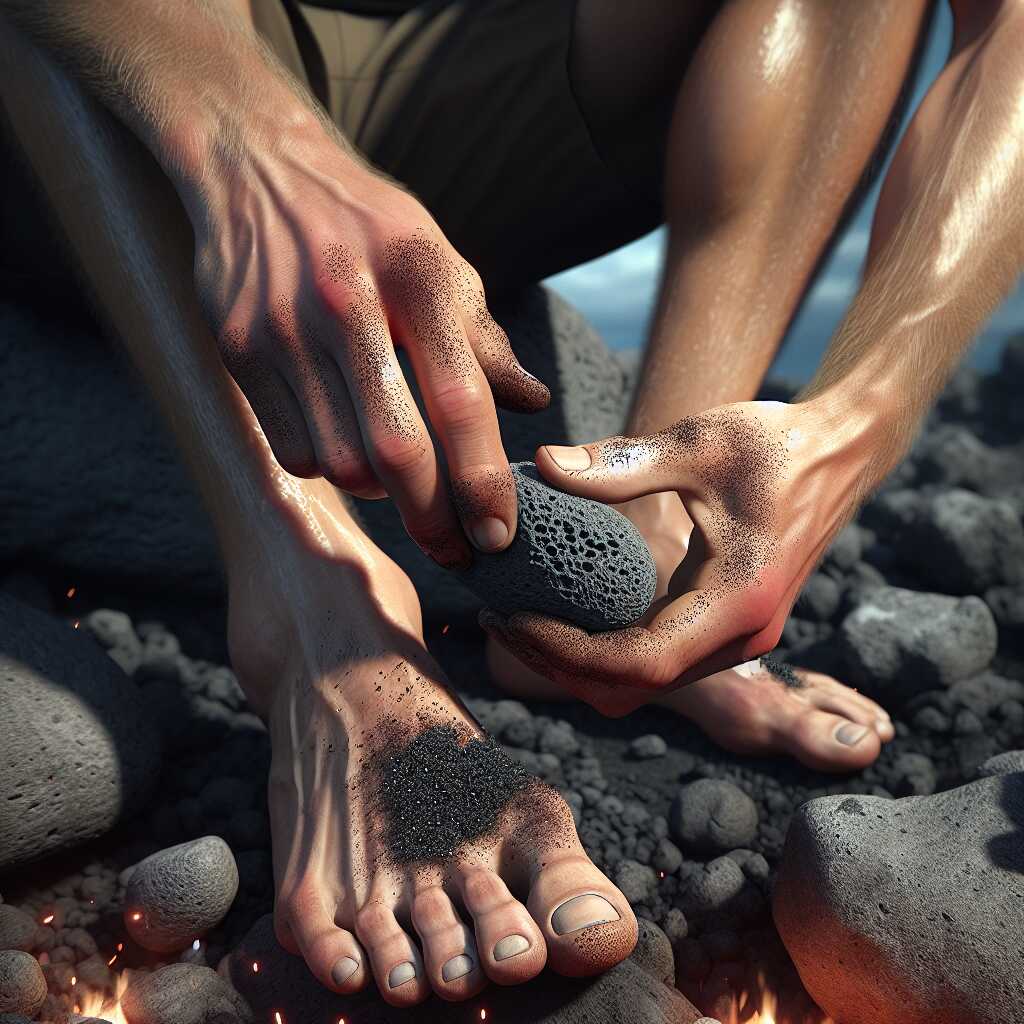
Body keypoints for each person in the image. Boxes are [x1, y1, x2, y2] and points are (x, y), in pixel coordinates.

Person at [1, 0, 1022, 1007]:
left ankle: (655, 551)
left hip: (467, 93)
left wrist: (851, 423)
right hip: (129, 76)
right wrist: (248, 138)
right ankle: (320, 614)